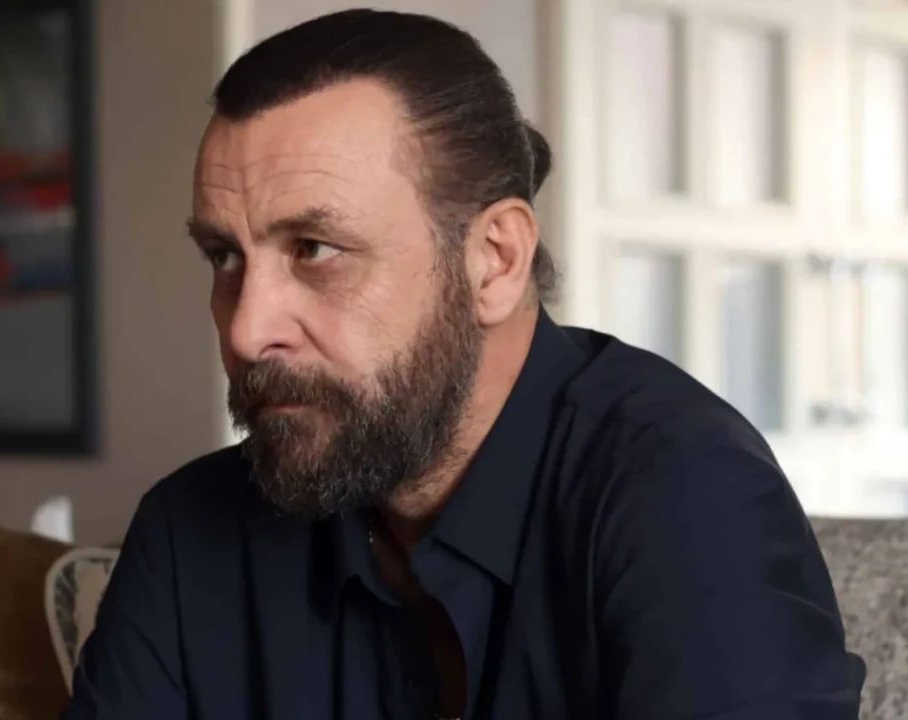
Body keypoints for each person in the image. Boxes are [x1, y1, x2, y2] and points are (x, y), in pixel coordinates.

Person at [62, 9, 865, 720]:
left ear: (493, 260)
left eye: (315, 249)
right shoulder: (188, 535)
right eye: (225, 256)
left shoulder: (686, 494)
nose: (246, 330)